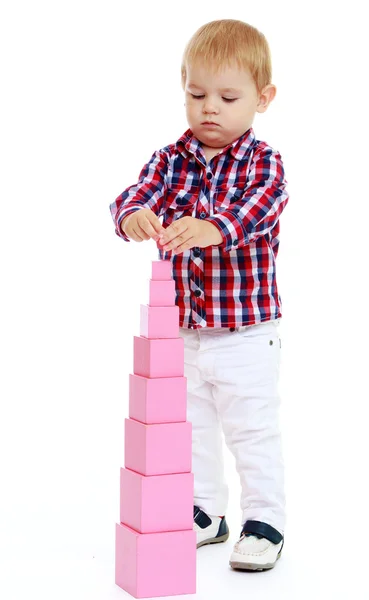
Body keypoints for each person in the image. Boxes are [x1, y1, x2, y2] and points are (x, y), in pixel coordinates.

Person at [109, 19, 289, 571]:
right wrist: (135, 215)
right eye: (197, 94)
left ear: (262, 99)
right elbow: (130, 197)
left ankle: (266, 518)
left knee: (251, 426)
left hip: (245, 332)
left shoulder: (265, 162)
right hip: (184, 330)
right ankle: (204, 512)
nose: (210, 107)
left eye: (228, 97)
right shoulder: (170, 160)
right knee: (189, 426)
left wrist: (213, 227)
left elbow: (258, 209)